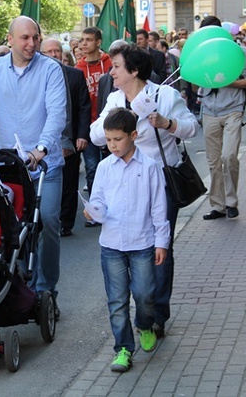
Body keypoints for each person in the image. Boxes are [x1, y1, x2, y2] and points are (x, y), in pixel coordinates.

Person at [90, 43, 198, 339]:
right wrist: (118, 121)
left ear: (134, 70)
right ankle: (139, 307)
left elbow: (192, 127)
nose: (110, 72)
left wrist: (167, 123)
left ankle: (155, 314)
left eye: (116, 67)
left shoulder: (164, 95)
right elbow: (96, 135)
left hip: (161, 178)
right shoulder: (115, 99)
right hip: (125, 182)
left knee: (159, 247)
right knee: (130, 246)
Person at [0, 16, 66, 312]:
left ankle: (45, 289)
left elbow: (56, 114)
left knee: (47, 221)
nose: (31, 43)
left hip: (43, 164)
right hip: (6, 166)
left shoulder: (51, 70)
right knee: (12, 228)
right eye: (24, 38)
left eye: (35, 37)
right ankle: (13, 285)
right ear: (10, 40)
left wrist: (41, 149)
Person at [85, 108, 169, 373]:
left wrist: (161, 241)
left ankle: (144, 325)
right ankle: (123, 348)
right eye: (108, 140)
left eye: (118, 139)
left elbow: (159, 207)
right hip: (111, 243)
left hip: (142, 242)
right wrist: (92, 210)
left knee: (144, 294)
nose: (112, 145)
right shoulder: (104, 167)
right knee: (116, 300)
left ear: (133, 135)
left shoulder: (150, 167)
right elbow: (97, 197)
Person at [197, 16, 246, 221]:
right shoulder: (199, 54)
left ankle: (231, 202)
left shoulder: (238, 51)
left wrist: (229, 80)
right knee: (213, 162)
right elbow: (195, 82)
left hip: (233, 109)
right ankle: (218, 205)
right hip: (209, 109)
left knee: (229, 156)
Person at [41, 37, 91, 237]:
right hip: (42, 142)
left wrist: (81, 135)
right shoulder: (37, 77)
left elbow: (84, 107)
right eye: (49, 52)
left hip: (69, 139)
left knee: (69, 183)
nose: (54, 55)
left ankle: (66, 222)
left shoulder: (75, 75)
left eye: (56, 51)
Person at [75, 27, 112, 214]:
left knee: (111, 166)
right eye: (82, 40)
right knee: (92, 168)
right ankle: (95, 208)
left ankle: (112, 205)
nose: (84, 44)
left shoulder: (110, 64)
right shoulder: (78, 68)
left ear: (98, 42)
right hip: (88, 126)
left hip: (110, 125)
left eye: (88, 40)